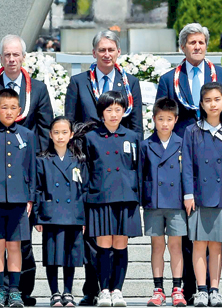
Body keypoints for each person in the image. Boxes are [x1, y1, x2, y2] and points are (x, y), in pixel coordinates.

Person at [81, 92, 142, 308]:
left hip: (126, 197)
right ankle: (104, 290)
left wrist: (138, 196)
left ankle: (118, 290)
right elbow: (86, 171)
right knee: (103, 246)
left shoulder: (132, 136)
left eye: (118, 109)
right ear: (101, 113)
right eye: (109, 110)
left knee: (120, 245)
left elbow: (138, 168)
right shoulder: (91, 138)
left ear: (124, 111)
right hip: (100, 197)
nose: (114, 114)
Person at [0, 87, 38, 308]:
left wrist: (30, 197)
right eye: (4, 107)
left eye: (13, 107)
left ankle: (14, 290)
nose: (9, 111)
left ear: (20, 110)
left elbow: (31, 167)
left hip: (19, 199)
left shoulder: (27, 135)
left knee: (15, 246)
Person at [182, 83, 222, 308]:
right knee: (198, 244)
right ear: (201, 104)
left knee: (216, 245)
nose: (213, 104)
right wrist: (188, 194)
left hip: (221, 197)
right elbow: (187, 165)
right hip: (198, 196)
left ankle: (215, 290)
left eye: (217, 99)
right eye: (208, 100)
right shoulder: (192, 131)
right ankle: (201, 290)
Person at [141, 99, 192, 308]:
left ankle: (177, 289)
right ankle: (158, 290)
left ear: (176, 120)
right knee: (157, 245)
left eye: (169, 119)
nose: (164, 123)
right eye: (160, 119)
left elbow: (187, 172)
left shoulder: (182, 143)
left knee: (176, 245)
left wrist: (188, 195)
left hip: (176, 202)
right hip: (153, 201)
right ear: (153, 119)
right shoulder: (146, 144)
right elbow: (141, 174)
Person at [35, 117, 87, 308]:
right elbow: (38, 189)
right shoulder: (42, 159)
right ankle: (55, 293)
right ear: (50, 134)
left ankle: (68, 291)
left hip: (73, 213)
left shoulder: (79, 159)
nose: (60, 136)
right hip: (51, 214)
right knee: (52, 256)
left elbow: (85, 189)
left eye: (64, 132)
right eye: (56, 132)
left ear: (71, 135)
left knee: (70, 256)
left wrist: (83, 217)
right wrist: (38, 216)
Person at [156, 23, 222, 138]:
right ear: (183, 47)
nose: (197, 47)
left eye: (201, 43)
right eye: (192, 43)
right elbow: (160, 118)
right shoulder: (168, 80)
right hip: (181, 143)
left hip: (216, 142)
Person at [65, 31, 143, 138]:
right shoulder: (78, 82)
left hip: (120, 143)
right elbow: (70, 122)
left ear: (118, 52)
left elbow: (136, 125)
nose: (107, 55)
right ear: (94, 53)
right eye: (102, 50)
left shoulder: (130, 82)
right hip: (87, 144)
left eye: (111, 50)